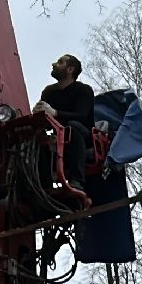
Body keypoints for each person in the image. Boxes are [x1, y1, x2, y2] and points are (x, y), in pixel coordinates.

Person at [34, 53, 95, 186]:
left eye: (60, 62)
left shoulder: (83, 90)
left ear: (70, 69)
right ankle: (43, 185)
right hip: (58, 136)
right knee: (36, 139)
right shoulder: (49, 92)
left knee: (71, 127)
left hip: (82, 136)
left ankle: (76, 180)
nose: (54, 64)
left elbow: (82, 116)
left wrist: (54, 113)